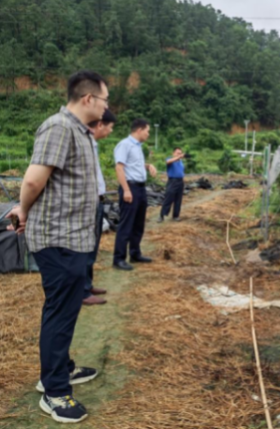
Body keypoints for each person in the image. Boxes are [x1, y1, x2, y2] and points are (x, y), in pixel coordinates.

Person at [7, 70, 108, 423]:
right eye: (105, 99)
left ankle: (61, 368)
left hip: (73, 238)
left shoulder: (78, 132)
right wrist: (23, 209)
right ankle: (55, 391)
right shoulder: (59, 127)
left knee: (65, 309)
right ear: (88, 99)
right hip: (58, 238)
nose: (107, 106)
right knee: (60, 313)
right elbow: (34, 179)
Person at [112, 119, 157, 271]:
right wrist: (126, 190)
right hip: (130, 188)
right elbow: (119, 168)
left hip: (140, 189)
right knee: (126, 224)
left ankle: (135, 253)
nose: (148, 134)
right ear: (139, 130)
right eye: (147, 131)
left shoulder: (138, 147)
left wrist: (148, 166)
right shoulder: (125, 144)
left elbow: (133, 165)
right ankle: (119, 259)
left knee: (138, 223)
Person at [83, 109, 116, 306]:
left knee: (92, 247)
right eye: (110, 127)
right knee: (86, 247)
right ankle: (82, 291)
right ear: (100, 124)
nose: (110, 131)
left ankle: (87, 284)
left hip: (97, 201)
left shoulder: (92, 145)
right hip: (89, 202)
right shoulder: (85, 143)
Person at [158, 147, 185, 223]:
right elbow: (168, 162)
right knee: (168, 198)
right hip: (172, 181)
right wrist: (178, 157)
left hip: (180, 182)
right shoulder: (170, 159)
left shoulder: (181, 162)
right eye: (177, 153)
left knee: (178, 200)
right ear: (173, 153)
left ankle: (176, 216)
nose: (179, 155)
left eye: (180, 153)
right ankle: (162, 215)